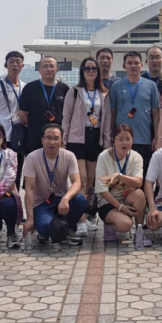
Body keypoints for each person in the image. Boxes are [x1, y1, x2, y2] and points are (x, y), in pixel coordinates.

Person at [62, 57, 112, 236]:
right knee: (81, 179)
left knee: (91, 180)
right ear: (82, 71)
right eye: (87, 68)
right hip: (77, 139)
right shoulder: (74, 91)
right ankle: (80, 220)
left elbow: (107, 120)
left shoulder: (103, 93)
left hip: (95, 138)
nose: (91, 71)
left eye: (94, 68)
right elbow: (66, 117)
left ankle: (88, 214)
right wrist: (63, 141)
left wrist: (107, 143)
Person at [22, 125, 87, 246]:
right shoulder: (32, 158)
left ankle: (68, 230)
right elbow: (29, 189)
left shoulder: (69, 156)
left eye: (56, 138)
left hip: (61, 201)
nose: (52, 142)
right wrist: (30, 218)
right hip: (41, 203)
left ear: (62, 141)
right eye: (48, 138)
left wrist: (66, 198)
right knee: (45, 227)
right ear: (42, 140)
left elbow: (77, 182)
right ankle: (47, 231)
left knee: (80, 200)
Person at [18, 56, 70, 189]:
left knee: (56, 177)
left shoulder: (65, 89)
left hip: (56, 141)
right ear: (39, 69)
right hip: (35, 139)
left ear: (57, 69)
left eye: (51, 66)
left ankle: (55, 201)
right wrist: (35, 125)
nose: (48, 69)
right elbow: (22, 114)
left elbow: (68, 116)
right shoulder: (30, 88)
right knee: (33, 179)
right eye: (45, 66)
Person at [95, 124, 148, 249]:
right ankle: (109, 223)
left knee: (140, 194)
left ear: (133, 140)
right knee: (125, 225)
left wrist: (119, 176)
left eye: (128, 139)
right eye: (120, 139)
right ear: (113, 140)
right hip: (108, 202)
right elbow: (102, 190)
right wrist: (120, 207)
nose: (124, 143)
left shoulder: (136, 157)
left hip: (126, 198)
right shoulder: (103, 157)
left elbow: (138, 182)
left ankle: (139, 232)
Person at [110, 51, 160, 175]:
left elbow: (155, 113)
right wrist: (111, 134)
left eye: (136, 63)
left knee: (141, 175)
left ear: (141, 65)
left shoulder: (151, 86)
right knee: (121, 175)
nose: (133, 66)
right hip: (121, 139)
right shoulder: (116, 86)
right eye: (129, 63)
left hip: (143, 139)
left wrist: (156, 136)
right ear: (124, 66)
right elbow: (112, 112)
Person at [0, 50, 26, 155]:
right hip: (2, 135)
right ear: (6, 65)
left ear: (22, 66)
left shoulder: (25, 87)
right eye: (11, 62)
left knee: (19, 163)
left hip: (19, 134)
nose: (15, 65)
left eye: (18, 62)